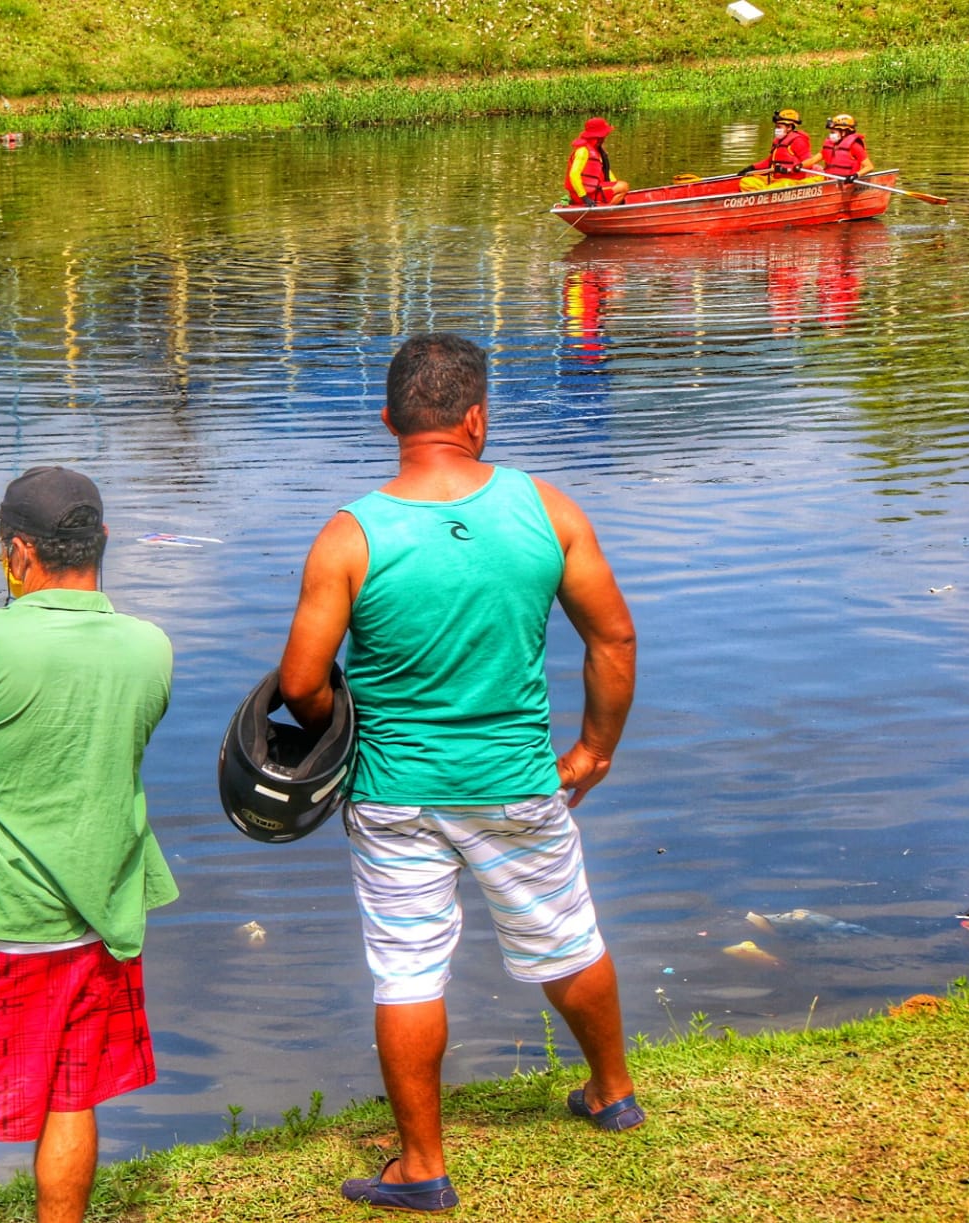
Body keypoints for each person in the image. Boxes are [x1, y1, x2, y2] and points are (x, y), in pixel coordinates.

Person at [279, 334, 642, 1213]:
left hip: (394, 791)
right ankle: (611, 1092)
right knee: (566, 933)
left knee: (408, 969)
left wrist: (341, 734)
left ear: (388, 420)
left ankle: (423, 1165)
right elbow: (613, 638)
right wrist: (594, 749)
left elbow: (299, 685)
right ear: (478, 418)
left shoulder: (349, 534)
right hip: (517, 778)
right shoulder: (545, 509)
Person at [0, 465, 177, 1223]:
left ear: (19, 552)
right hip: (95, 922)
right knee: (71, 1095)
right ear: (102, 541)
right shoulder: (150, 646)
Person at [739, 108, 819, 191]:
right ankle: (764, 194)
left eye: (779, 127)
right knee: (745, 181)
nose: (776, 130)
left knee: (776, 188)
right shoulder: (777, 141)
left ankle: (766, 193)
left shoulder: (798, 141)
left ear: (789, 127)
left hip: (791, 181)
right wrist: (752, 168)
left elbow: (809, 163)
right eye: (776, 127)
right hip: (774, 180)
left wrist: (790, 170)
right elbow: (769, 162)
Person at [564, 116, 629, 206]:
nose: (604, 138)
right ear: (597, 137)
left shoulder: (597, 150)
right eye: (603, 136)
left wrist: (615, 187)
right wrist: (584, 197)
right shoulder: (583, 151)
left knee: (621, 187)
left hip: (594, 189)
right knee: (624, 186)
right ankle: (607, 211)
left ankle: (609, 205)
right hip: (584, 195)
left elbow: (607, 172)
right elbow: (573, 174)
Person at [804, 113, 875, 179]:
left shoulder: (854, 146)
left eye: (833, 132)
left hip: (846, 181)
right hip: (830, 181)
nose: (830, 135)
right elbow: (813, 160)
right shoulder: (831, 145)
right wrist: (799, 166)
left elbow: (869, 167)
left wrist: (855, 175)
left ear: (843, 132)